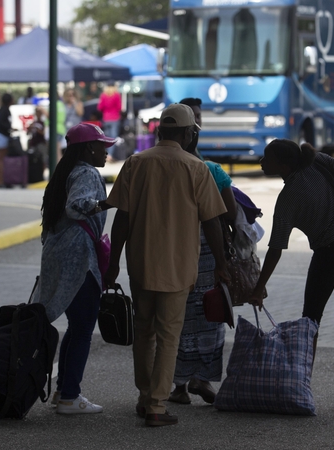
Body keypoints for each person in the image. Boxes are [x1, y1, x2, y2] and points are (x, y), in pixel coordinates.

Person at [104, 103, 230, 427]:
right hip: (177, 267)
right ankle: (157, 406)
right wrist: (221, 263)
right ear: (189, 134)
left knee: (144, 333)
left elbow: (123, 217)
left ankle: (145, 398)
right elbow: (213, 222)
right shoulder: (196, 168)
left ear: (160, 130)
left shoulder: (135, 163)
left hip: (141, 264)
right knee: (168, 336)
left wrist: (114, 260)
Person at [248, 139, 334, 412]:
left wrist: (258, 288)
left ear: (284, 165)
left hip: (329, 253)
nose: (261, 162)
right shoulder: (317, 162)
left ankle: (302, 390)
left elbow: (276, 249)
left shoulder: (288, 197)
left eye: (267, 158)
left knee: (310, 321)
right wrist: (325, 159)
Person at [37, 123, 115, 415]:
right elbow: (77, 206)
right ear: (87, 149)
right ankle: (71, 396)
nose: (106, 151)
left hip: (59, 255)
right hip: (79, 259)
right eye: (101, 145)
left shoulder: (64, 173)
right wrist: (107, 203)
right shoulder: (86, 172)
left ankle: (62, 392)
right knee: (83, 328)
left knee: (76, 325)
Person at [168, 98, 237, 405]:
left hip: (174, 254)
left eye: (199, 118)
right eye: (193, 120)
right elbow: (227, 214)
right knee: (200, 317)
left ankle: (185, 383)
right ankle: (192, 381)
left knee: (187, 317)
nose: (197, 126)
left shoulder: (151, 163)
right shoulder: (208, 170)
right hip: (204, 255)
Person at [0, 93, 14, 188]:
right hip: (1, 136)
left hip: (1, 135)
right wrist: (9, 129)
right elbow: (1, 122)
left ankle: (3, 180)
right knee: (2, 160)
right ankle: (1, 181)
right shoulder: (5, 110)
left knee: (2, 159)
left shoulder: (3, 110)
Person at [97, 84, 122, 160]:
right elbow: (119, 107)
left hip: (106, 118)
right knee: (113, 137)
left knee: (106, 137)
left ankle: (105, 153)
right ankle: (110, 155)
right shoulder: (116, 95)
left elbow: (100, 107)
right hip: (115, 118)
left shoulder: (103, 95)